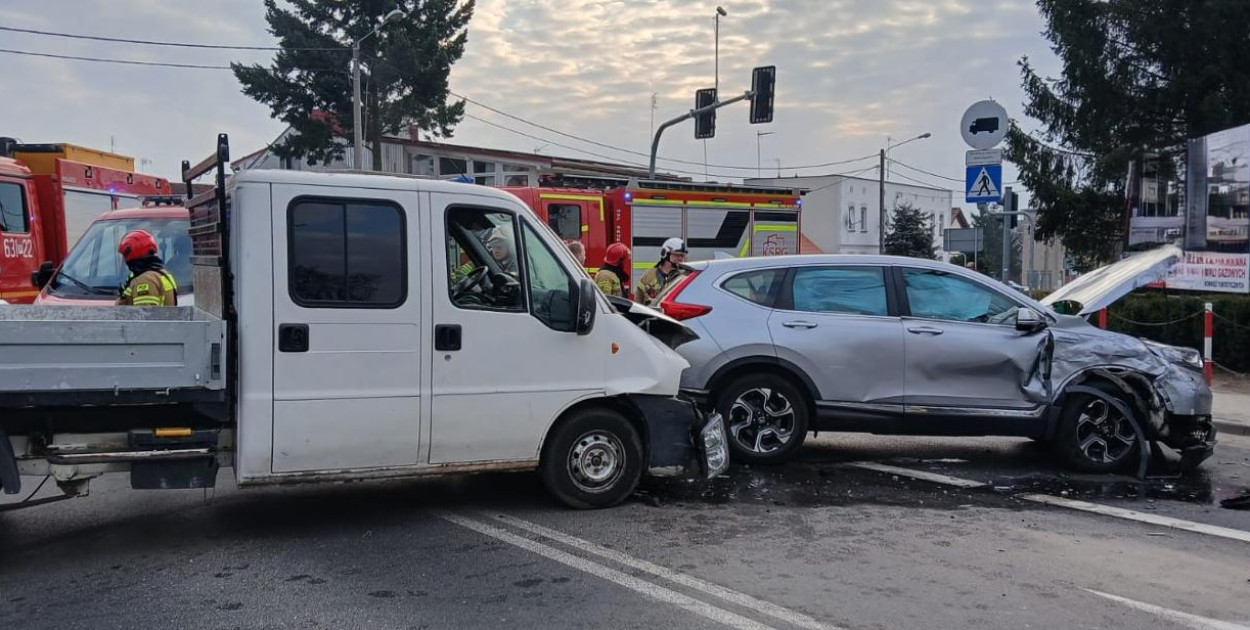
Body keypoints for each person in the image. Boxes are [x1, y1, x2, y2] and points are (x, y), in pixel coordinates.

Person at [116, 229, 177, 306]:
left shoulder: (144, 280)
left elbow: (144, 312)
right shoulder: (160, 273)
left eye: (124, 256)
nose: (124, 260)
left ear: (131, 253)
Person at [634, 237, 686, 305]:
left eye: (682, 256)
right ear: (665, 254)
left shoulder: (685, 276)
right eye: (677, 255)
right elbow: (638, 300)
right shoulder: (649, 275)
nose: (681, 259)